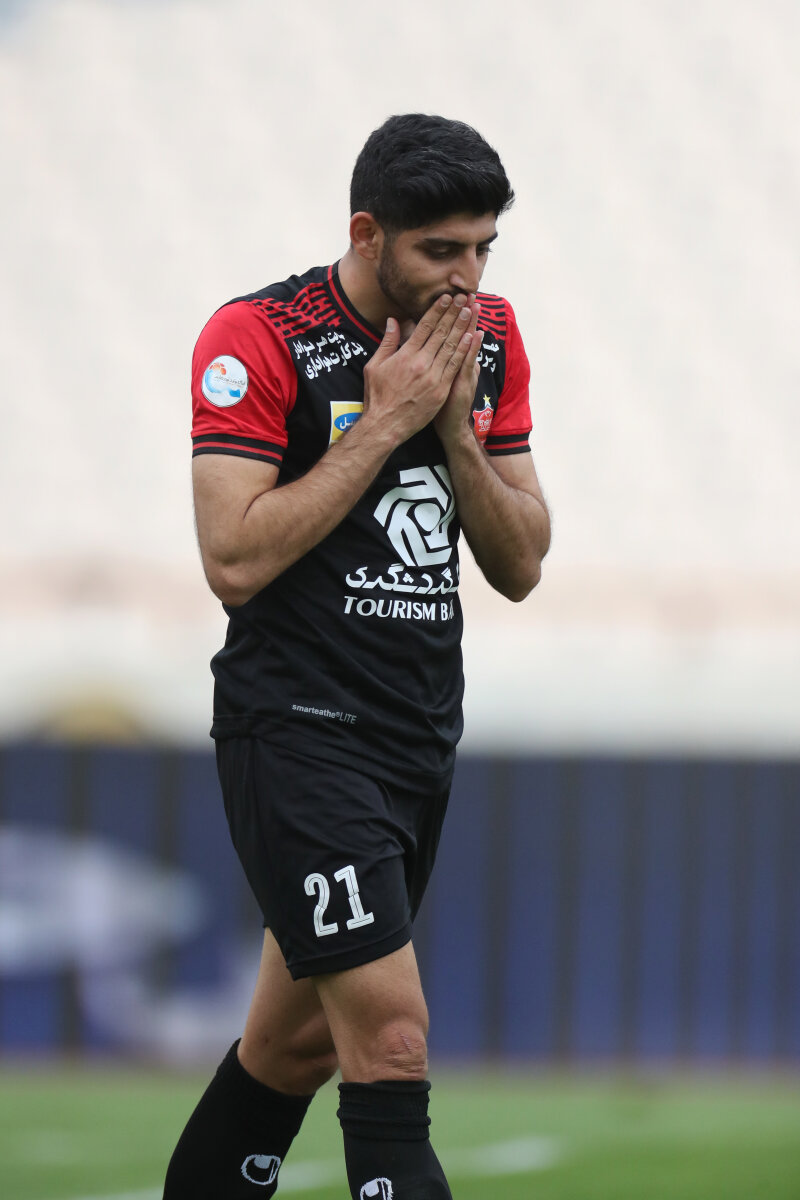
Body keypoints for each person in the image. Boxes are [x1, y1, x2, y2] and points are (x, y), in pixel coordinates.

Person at [164, 113, 550, 1199]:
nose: (465, 277)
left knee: (290, 1051)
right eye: (441, 250)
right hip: (296, 732)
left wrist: (455, 432)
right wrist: (384, 424)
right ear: (367, 234)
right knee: (390, 1041)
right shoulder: (258, 336)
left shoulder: (487, 337)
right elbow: (233, 560)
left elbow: (521, 563)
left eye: (483, 249)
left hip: (415, 737)